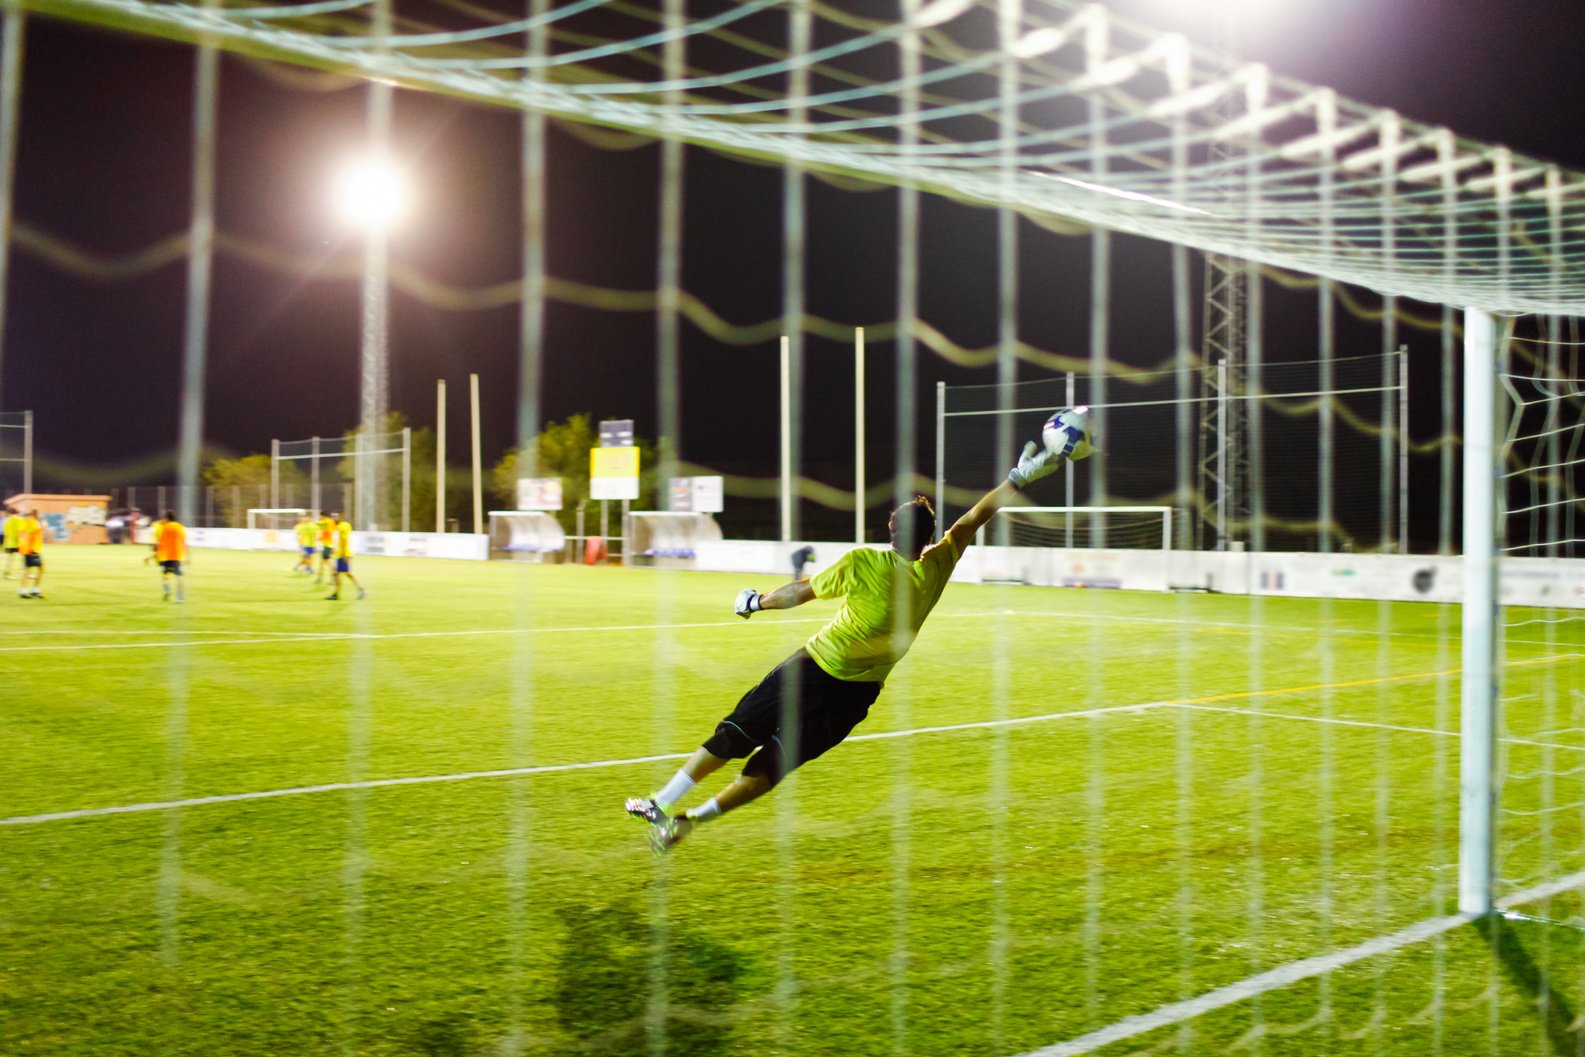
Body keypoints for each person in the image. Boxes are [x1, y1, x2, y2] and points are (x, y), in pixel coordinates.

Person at [625, 410, 1093, 854]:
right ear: (928, 538)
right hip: (856, 698)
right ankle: (686, 824)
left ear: (891, 528)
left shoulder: (864, 561)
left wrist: (755, 602)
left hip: (812, 669)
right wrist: (1017, 480)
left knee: (736, 732)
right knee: (768, 770)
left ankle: (664, 802)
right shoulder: (936, 568)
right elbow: (970, 522)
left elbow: (801, 593)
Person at [325, 510, 365, 601]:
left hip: (343, 554)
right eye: (334, 516)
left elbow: (344, 541)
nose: (335, 518)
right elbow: (340, 541)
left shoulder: (342, 527)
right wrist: (335, 550)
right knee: (343, 573)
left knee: (344, 573)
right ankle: (337, 594)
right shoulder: (343, 526)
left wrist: (344, 555)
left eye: (336, 516)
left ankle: (360, 590)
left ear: (341, 517)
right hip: (342, 553)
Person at [153, 509, 189, 602]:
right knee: (178, 576)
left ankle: (166, 590)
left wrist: (155, 553)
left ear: (166, 518)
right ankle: (180, 597)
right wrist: (187, 556)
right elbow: (184, 541)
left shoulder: (162, 527)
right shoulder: (180, 527)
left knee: (164, 574)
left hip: (164, 555)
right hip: (176, 555)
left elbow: (157, 541)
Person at [15, 508, 44, 599]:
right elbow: (27, 535)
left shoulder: (32, 522)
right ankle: (25, 590)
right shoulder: (29, 522)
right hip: (31, 550)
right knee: (29, 570)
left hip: (33, 549)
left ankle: (33, 590)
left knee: (39, 569)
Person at [314, 511, 336, 585]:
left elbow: (327, 532)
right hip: (327, 545)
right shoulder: (329, 522)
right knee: (323, 563)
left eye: (320, 516)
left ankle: (333, 579)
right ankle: (320, 578)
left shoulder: (327, 522)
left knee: (328, 563)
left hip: (328, 545)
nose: (319, 518)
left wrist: (320, 538)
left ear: (323, 516)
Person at [1, 507, 21, 579]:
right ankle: (8, 574)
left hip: (9, 542)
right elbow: (19, 530)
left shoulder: (7, 520)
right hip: (16, 542)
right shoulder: (18, 519)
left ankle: (7, 573)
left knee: (10, 558)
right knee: (24, 556)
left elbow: (5, 530)